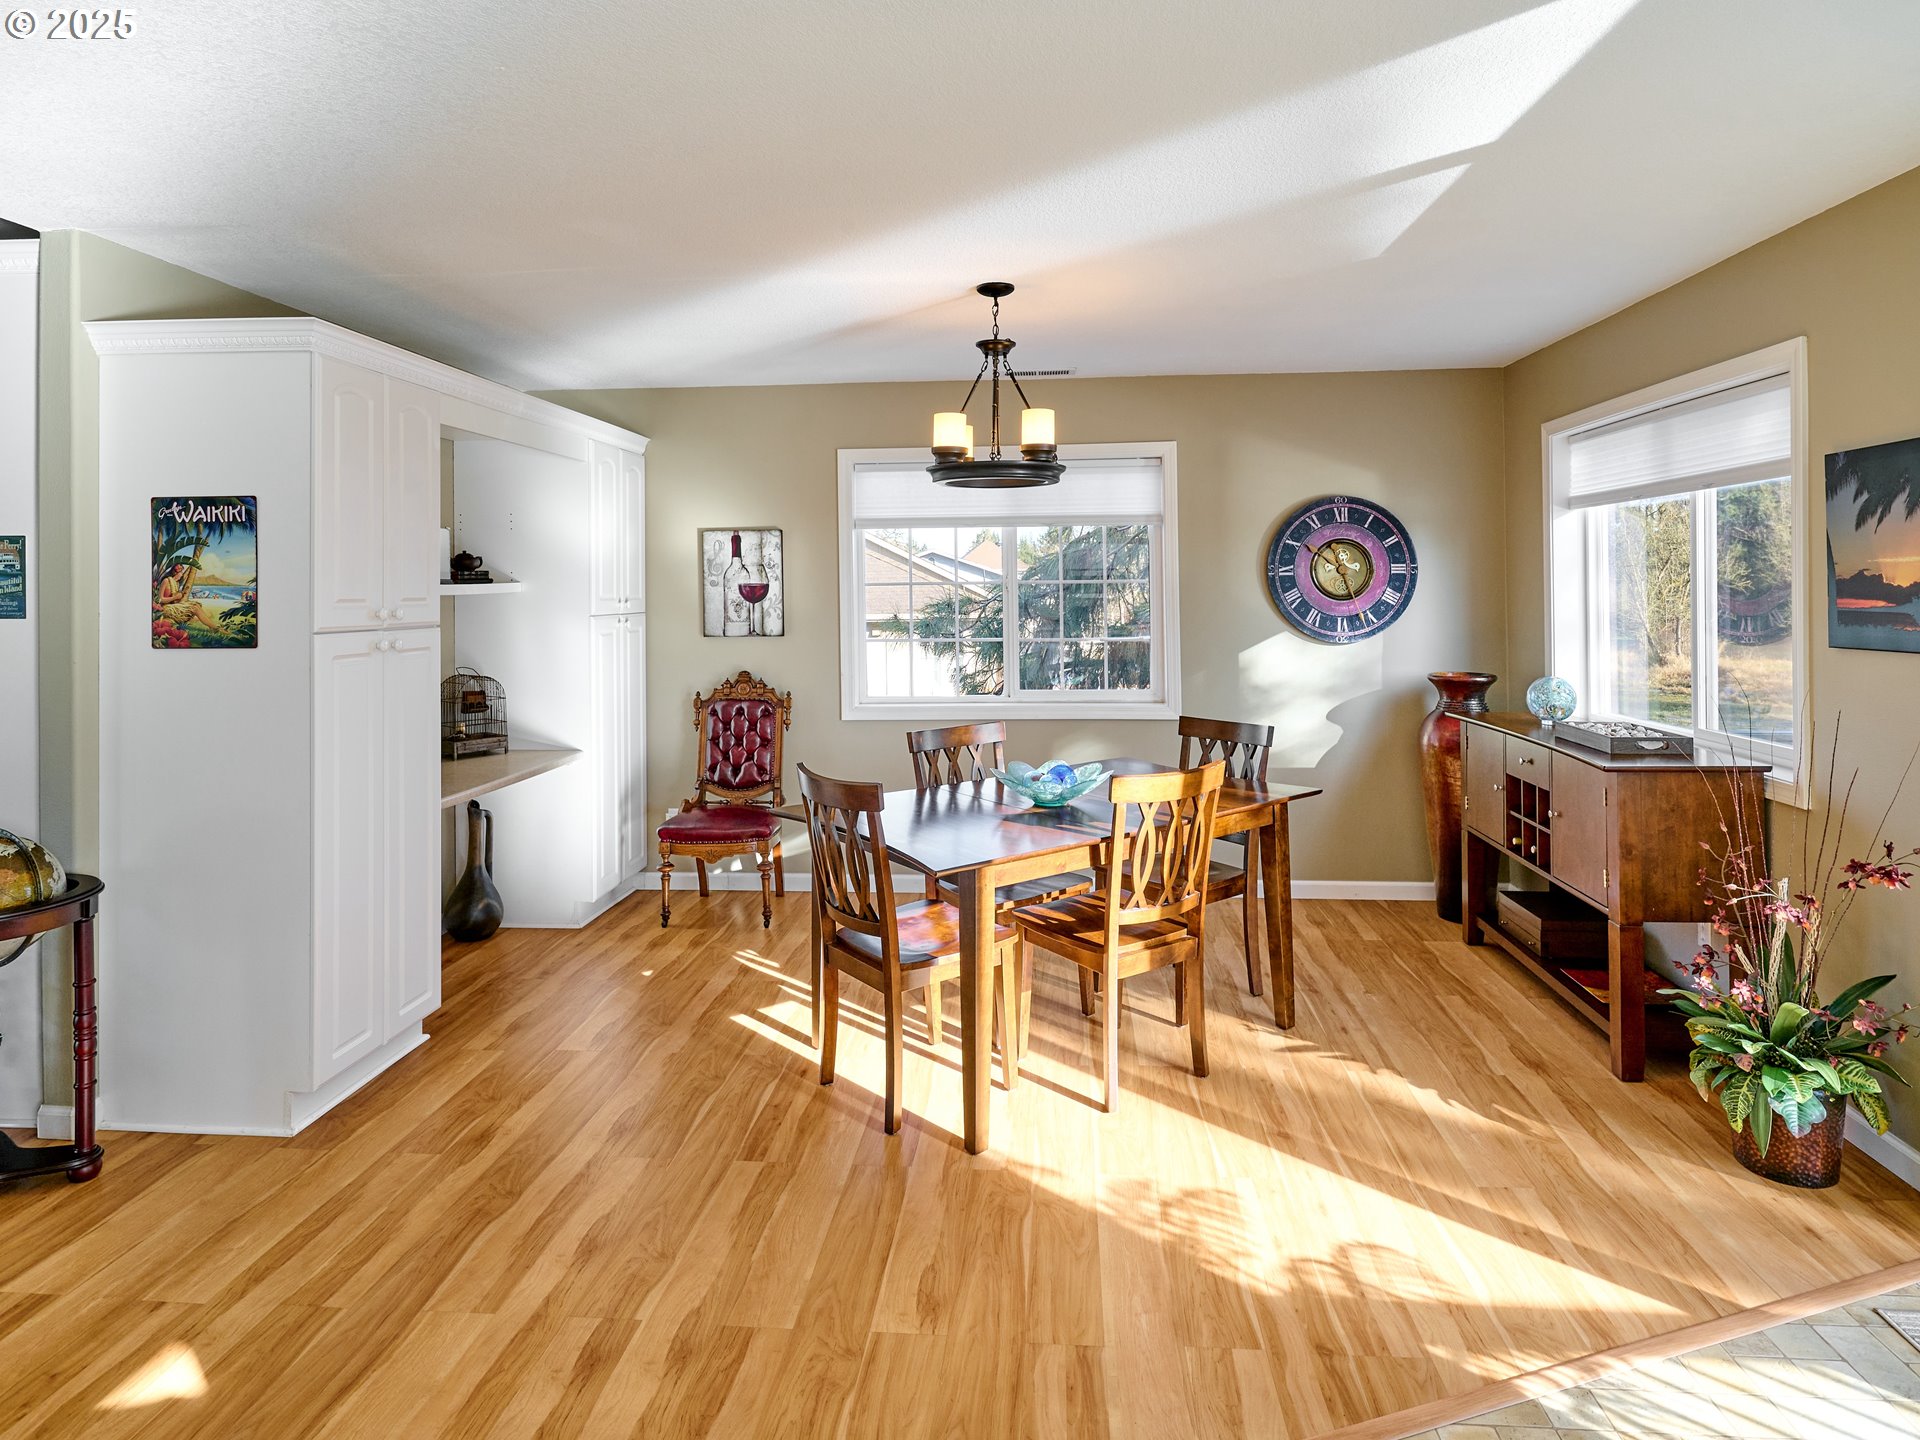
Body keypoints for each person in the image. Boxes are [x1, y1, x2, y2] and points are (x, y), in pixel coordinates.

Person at [155, 564, 229, 636]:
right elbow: (160, 599)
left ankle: (213, 626)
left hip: (173, 606)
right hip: (166, 608)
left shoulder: (176, 583)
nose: (180, 577)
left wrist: (180, 595)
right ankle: (215, 628)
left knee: (196, 607)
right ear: (174, 573)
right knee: (194, 608)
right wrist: (174, 598)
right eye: (179, 574)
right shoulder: (166, 581)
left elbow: (175, 598)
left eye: (181, 574)